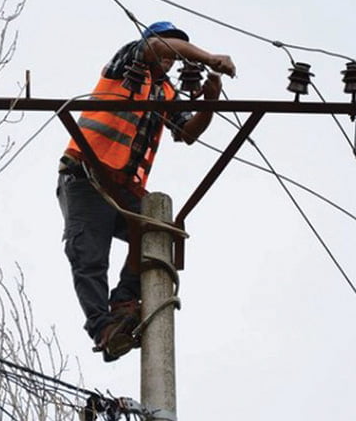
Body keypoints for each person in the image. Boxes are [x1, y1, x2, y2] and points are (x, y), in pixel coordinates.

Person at [56, 21, 236, 361]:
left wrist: (209, 103)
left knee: (159, 235)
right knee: (89, 255)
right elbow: (157, 49)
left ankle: (125, 303)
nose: (170, 59)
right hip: (86, 176)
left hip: (122, 188)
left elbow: (186, 133)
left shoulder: (165, 92)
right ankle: (104, 328)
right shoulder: (128, 63)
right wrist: (210, 58)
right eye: (169, 49)